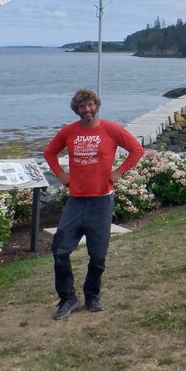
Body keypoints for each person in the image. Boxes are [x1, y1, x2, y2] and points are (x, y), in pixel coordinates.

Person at [43, 87, 144, 320]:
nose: (86, 110)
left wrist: (118, 172)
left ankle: (92, 295)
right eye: (81, 106)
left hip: (101, 202)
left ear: (97, 105)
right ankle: (67, 297)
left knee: (97, 255)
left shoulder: (111, 129)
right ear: (76, 110)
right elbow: (49, 153)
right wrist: (61, 175)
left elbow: (137, 150)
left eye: (90, 105)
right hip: (76, 202)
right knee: (60, 250)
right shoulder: (69, 132)